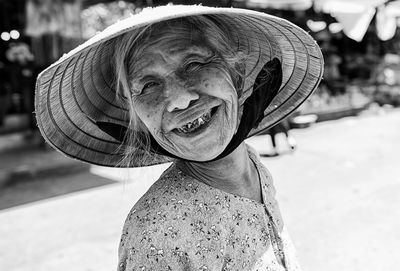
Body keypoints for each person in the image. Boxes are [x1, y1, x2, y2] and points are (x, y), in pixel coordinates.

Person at [34, 5, 323, 270]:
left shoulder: (254, 166)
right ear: (138, 116)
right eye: (148, 85)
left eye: (194, 65)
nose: (180, 100)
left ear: (236, 73)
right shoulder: (155, 234)